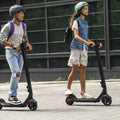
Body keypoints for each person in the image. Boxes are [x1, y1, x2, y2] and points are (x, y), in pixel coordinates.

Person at [65, 2, 102, 98]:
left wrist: (93, 43)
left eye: (87, 8)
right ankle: (68, 89)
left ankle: (83, 93)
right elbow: (76, 36)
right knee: (75, 69)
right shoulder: (76, 21)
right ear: (80, 10)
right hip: (76, 47)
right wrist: (86, 42)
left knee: (83, 69)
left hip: (84, 48)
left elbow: (85, 37)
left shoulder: (85, 23)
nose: (87, 10)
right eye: (85, 9)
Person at [0, 5, 32, 104]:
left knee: (18, 74)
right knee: (16, 72)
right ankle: (11, 96)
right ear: (14, 14)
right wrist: (13, 45)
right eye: (20, 13)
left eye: (23, 13)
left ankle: (14, 95)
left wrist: (27, 44)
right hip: (11, 52)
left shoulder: (23, 25)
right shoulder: (8, 26)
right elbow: (2, 40)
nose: (22, 15)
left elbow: (24, 37)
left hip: (20, 52)